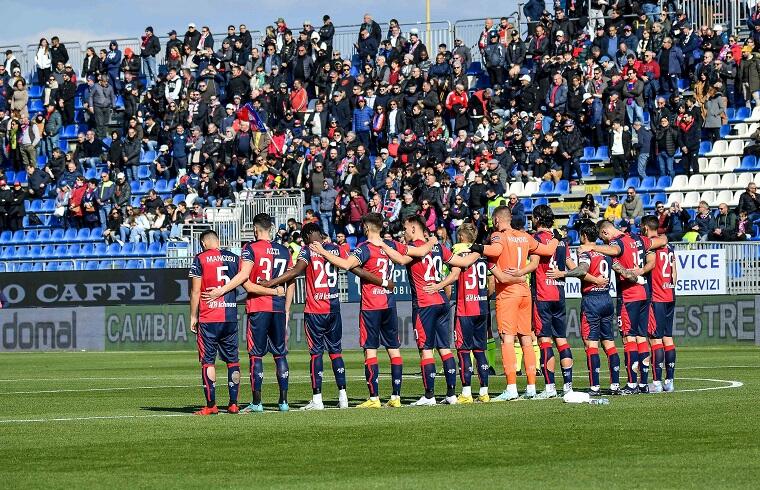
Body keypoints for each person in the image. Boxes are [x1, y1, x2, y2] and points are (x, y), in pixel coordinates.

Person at [261, 223, 389, 410]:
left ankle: (317, 399)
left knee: (316, 354)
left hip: (315, 310)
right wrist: (383, 281)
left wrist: (270, 283)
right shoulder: (336, 249)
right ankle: (343, 396)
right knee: (336, 352)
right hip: (334, 309)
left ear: (306, 237)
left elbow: (296, 271)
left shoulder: (307, 251)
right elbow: (354, 268)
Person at [310, 213, 418, 408]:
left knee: (370, 350)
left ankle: (374, 398)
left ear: (366, 228)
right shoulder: (390, 245)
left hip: (371, 306)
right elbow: (408, 256)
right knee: (394, 350)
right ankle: (396, 397)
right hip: (389, 303)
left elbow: (344, 264)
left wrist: (322, 251)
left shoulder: (364, 249)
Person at [379, 214, 482, 406]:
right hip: (442, 301)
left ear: (412, 228)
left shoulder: (414, 249)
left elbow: (400, 260)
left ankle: (429, 396)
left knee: (426, 350)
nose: (404, 233)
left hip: (424, 303)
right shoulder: (437, 247)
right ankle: (451, 394)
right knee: (445, 348)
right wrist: (479, 248)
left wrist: (383, 245)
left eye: (405, 229)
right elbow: (463, 263)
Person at [203, 213, 292, 413]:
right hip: (278, 308)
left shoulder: (250, 248)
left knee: (256, 355)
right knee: (280, 354)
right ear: (271, 228)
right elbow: (291, 280)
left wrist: (221, 290)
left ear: (255, 229)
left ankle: (257, 403)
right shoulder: (284, 250)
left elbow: (246, 281)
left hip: (259, 307)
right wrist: (286, 306)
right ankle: (284, 402)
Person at [472, 206, 558, 400]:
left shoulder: (498, 235)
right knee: (526, 339)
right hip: (524, 292)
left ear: (496, 220)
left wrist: (478, 247)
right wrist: (557, 237)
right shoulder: (525, 236)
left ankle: (511, 388)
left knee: (507, 339)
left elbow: (496, 250)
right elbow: (548, 249)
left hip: (508, 293)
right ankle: (531, 388)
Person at [582, 220, 668, 394]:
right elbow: (663, 240)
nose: (603, 242)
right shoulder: (637, 238)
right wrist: (641, 270)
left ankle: (631, 384)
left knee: (629, 339)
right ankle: (643, 383)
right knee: (642, 338)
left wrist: (592, 248)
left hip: (629, 295)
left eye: (602, 239)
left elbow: (614, 250)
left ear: (605, 233)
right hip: (644, 292)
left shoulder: (616, 242)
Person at [547, 220, 620, 396]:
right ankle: (615, 385)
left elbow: (581, 271)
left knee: (591, 345)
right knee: (609, 343)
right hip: (607, 298)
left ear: (584, 236)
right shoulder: (606, 253)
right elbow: (619, 268)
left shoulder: (586, 252)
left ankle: (594, 386)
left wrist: (562, 273)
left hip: (592, 300)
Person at [422, 222, 491, 403]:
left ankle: (466, 393)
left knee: (463, 351)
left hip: (465, 308)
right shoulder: (482, 253)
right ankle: (484, 392)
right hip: (482, 307)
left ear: (460, 237)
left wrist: (443, 292)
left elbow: (452, 278)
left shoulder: (456, 250)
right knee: (480, 350)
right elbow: (491, 284)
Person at [636, 216, 677, 393]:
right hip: (670, 294)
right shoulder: (668, 247)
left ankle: (657, 383)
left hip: (657, 297)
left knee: (655, 340)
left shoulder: (650, 245)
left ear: (645, 227)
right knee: (668, 338)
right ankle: (669, 381)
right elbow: (675, 272)